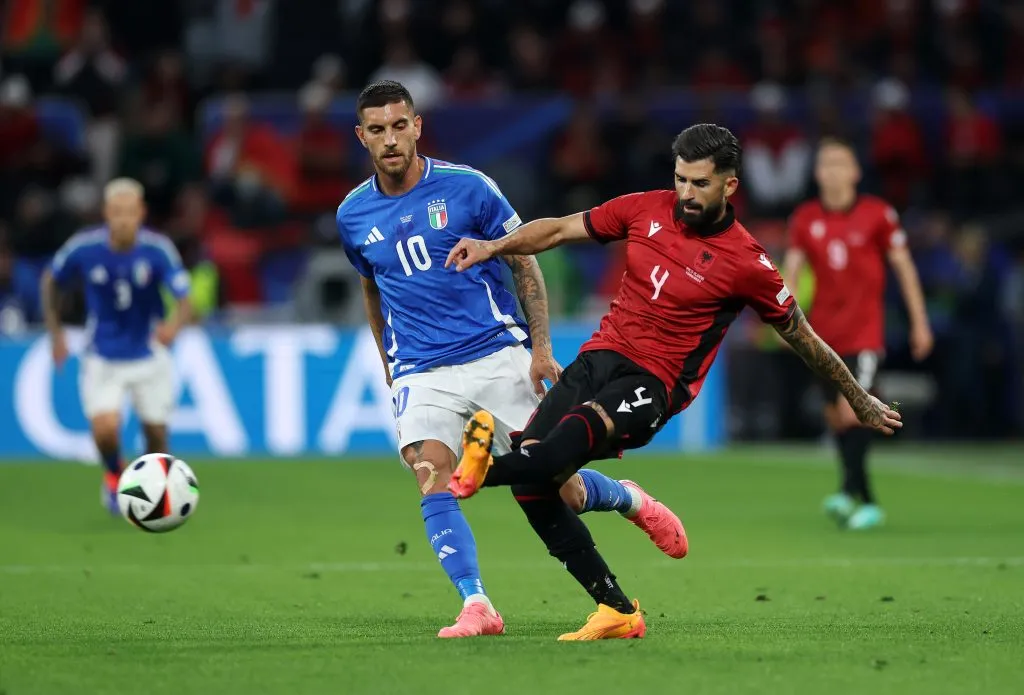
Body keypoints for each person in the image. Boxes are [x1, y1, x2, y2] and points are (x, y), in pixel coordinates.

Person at [444, 124, 903, 641]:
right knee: (532, 485)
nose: (685, 193)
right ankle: (618, 605)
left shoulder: (746, 262)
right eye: (680, 179)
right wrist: (492, 246)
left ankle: (472, 474)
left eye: (700, 184)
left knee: (549, 460)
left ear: (729, 186)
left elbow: (804, 338)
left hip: (653, 384)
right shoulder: (645, 208)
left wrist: (859, 398)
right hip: (600, 358)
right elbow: (556, 230)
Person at [336, 81, 687, 640]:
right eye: (377, 130)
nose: (391, 139)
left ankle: (626, 497)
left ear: (417, 126)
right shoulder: (352, 213)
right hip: (421, 369)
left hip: (496, 353)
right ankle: (477, 605)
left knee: (556, 485)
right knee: (432, 472)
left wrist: (541, 348)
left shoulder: (468, 188)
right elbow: (372, 287)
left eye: (400, 126)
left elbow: (525, 261)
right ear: (362, 137)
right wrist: (389, 364)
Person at [784, 137, 933, 530]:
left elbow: (904, 268)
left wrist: (919, 322)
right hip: (821, 338)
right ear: (817, 173)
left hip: (865, 334)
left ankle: (857, 496)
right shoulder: (805, 218)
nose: (832, 170)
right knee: (835, 417)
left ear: (855, 171)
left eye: (840, 163)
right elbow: (792, 273)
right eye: (826, 163)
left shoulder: (877, 214)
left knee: (854, 410)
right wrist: (785, 319)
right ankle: (857, 496)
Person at [41, 178, 192, 514]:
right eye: (117, 212)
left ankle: (154, 494)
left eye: (130, 212)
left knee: (156, 437)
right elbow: (51, 279)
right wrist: (56, 333)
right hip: (103, 355)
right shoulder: (84, 248)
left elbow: (185, 298)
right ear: (106, 213)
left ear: (141, 213)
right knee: (106, 430)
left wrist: (173, 326)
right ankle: (113, 475)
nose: (123, 219)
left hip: (148, 353)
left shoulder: (158, 250)